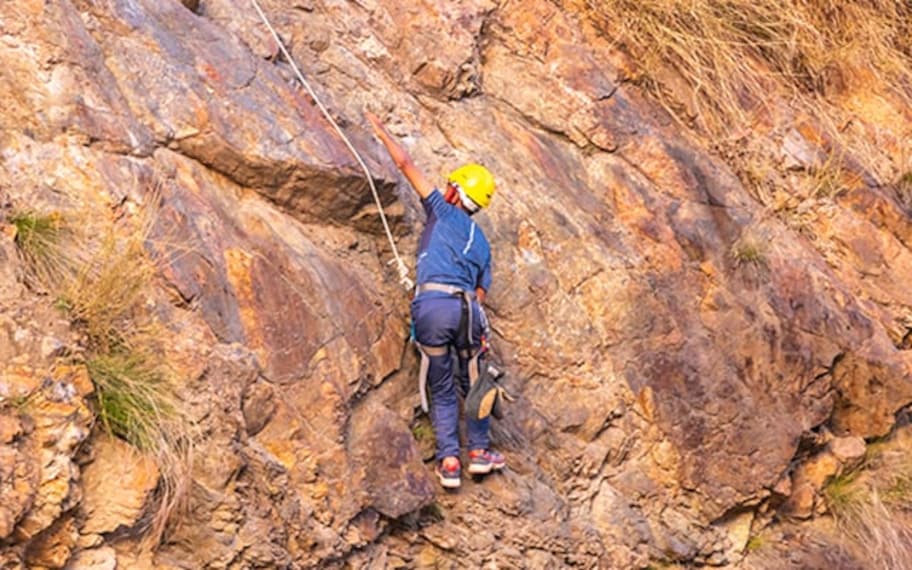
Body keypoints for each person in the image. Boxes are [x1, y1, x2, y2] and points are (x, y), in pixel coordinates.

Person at [366, 112, 505, 489]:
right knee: (474, 381)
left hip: (431, 307)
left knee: (441, 386)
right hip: (467, 311)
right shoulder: (483, 244)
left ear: (456, 193)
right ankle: (478, 452)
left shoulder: (441, 211)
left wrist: (379, 130)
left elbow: (405, 164)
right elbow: (480, 294)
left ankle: (448, 462)